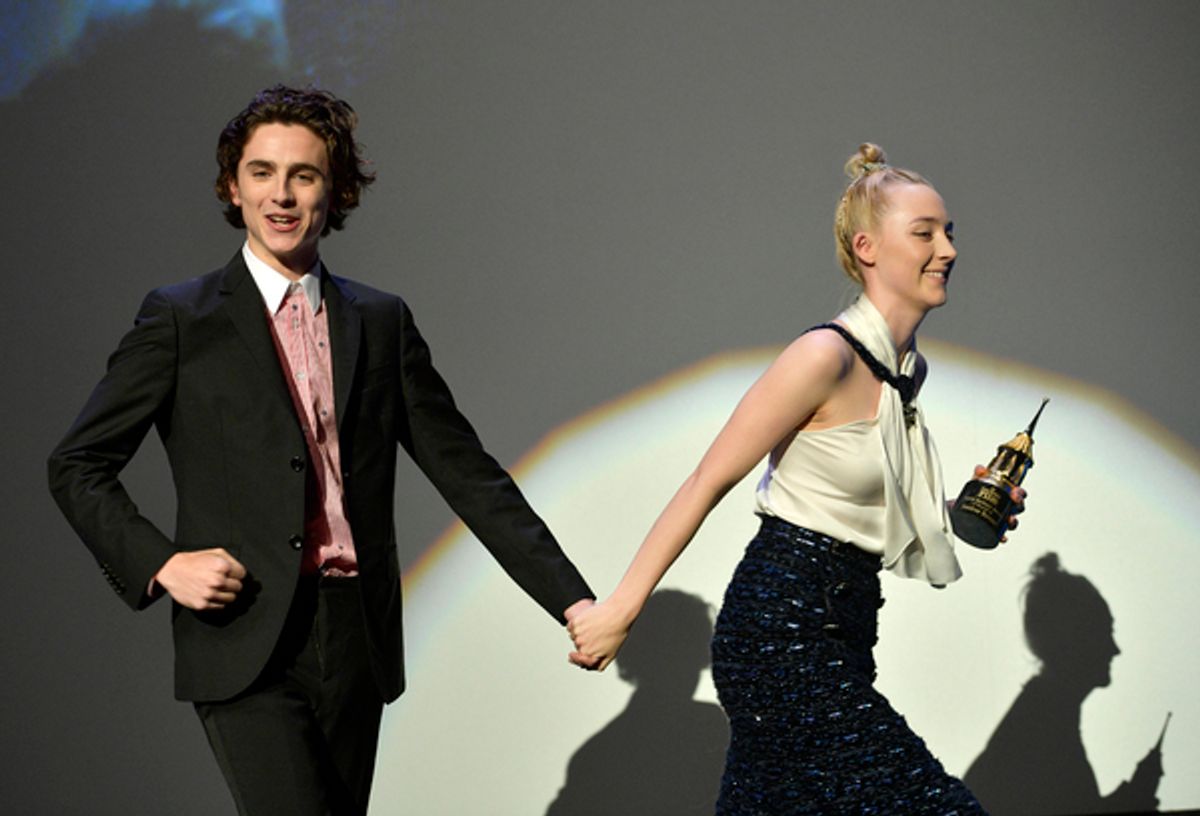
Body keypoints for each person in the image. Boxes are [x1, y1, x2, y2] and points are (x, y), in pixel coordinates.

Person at [47, 84, 594, 816]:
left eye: (303, 175)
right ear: (232, 188)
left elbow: (468, 474)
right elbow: (77, 464)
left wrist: (571, 598)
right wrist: (162, 562)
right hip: (244, 634)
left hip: (354, 635)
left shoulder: (380, 320)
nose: (281, 195)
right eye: (261, 173)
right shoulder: (181, 318)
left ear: (334, 193)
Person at [567, 143, 1025, 814]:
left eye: (949, 233)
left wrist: (969, 509)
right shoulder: (824, 356)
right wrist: (619, 611)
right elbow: (706, 479)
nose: (947, 250)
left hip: (846, 624)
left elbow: (866, 504)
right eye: (924, 233)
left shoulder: (906, 371)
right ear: (867, 248)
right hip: (780, 630)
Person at [963, 553, 1163, 815]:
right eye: (1105, 632)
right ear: (1075, 638)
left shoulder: (1039, 719)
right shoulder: (1042, 730)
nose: (1115, 650)